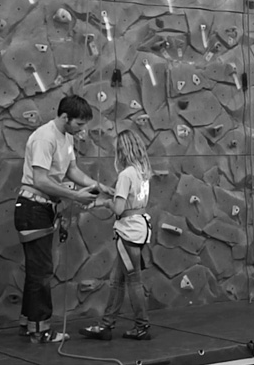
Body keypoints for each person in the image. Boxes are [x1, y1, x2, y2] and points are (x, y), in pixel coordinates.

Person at [15, 95, 114, 344]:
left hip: (44, 207)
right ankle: (41, 329)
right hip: (32, 207)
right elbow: (40, 180)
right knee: (42, 272)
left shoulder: (67, 137)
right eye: (79, 124)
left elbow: (72, 171)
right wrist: (74, 196)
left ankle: (29, 323)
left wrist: (99, 186)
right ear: (64, 117)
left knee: (37, 271)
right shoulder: (44, 138)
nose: (82, 130)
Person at [79, 130, 154, 341]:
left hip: (128, 232)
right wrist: (108, 199)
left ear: (122, 150)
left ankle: (141, 325)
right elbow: (131, 202)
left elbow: (120, 209)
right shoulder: (142, 172)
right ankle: (106, 325)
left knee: (133, 281)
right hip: (139, 230)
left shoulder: (125, 174)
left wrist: (106, 202)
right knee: (117, 281)